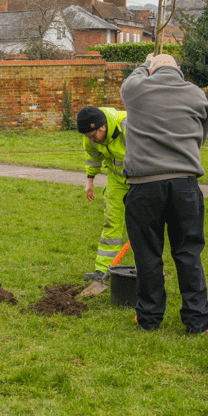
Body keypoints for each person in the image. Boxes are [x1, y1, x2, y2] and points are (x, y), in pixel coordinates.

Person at [120, 53, 208, 334]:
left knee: (147, 254)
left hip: (144, 185)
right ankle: (198, 321)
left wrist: (146, 62)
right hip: (185, 185)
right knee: (188, 252)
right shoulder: (196, 94)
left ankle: (148, 318)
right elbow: (202, 135)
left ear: (150, 70)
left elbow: (132, 80)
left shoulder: (136, 88)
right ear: (180, 71)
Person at [76, 105, 130, 294]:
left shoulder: (128, 125)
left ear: (103, 128)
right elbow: (93, 156)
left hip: (141, 179)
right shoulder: (89, 137)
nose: (90, 140)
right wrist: (90, 181)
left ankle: (147, 272)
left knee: (143, 226)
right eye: (87, 137)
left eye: (92, 136)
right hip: (116, 179)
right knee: (111, 223)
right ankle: (103, 270)